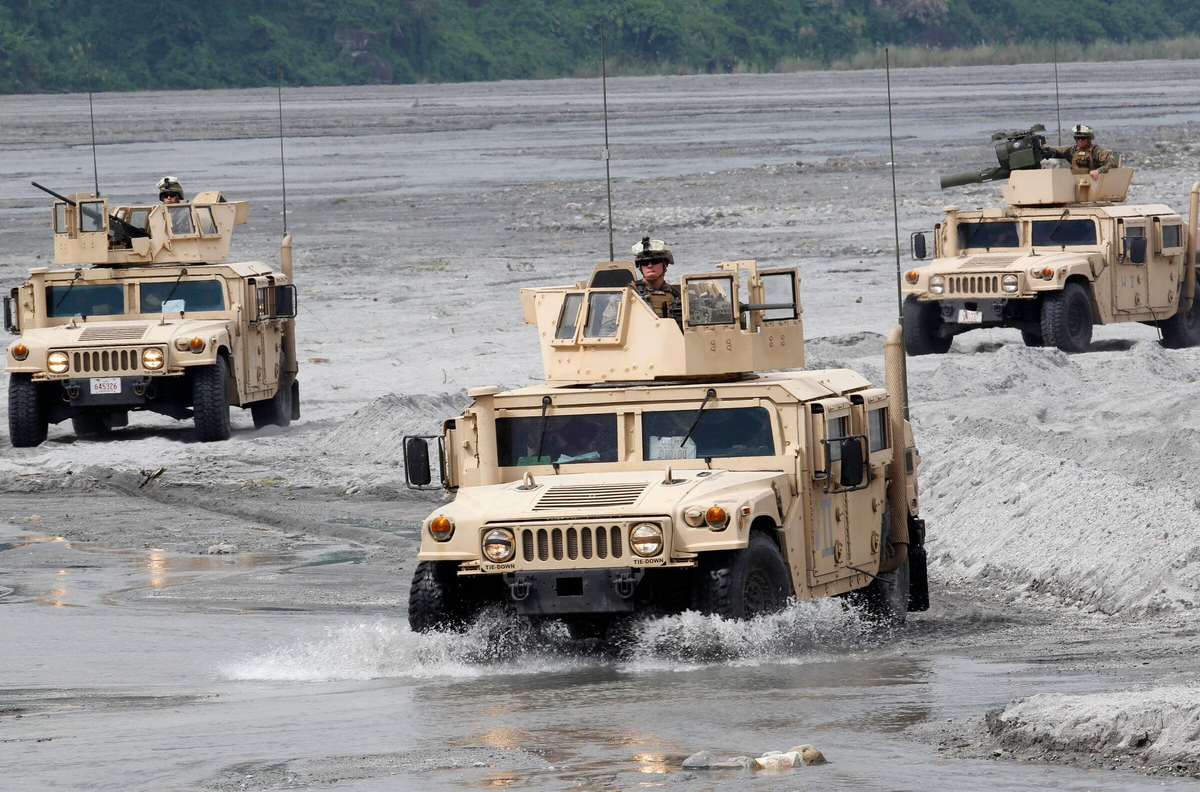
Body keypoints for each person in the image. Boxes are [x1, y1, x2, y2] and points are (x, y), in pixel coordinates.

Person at [1042, 125, 1117, 180]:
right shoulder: (1072, 150)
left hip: (1092, 183)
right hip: (1074, 183)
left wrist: (1098, 171)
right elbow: (1056, 151)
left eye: (1082, 138)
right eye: (1078, 138)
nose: (1080, 141)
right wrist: (1043, 149)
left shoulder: (1096, 151)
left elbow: (1113, 163)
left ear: (1088, 139)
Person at [632, 236, 681, 320]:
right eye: (644, 262)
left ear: (665, 264)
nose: (650, 265)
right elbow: (611, 325)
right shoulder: (630, 293)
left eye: (655, 261)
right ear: (640, 267)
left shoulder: (676, 295)